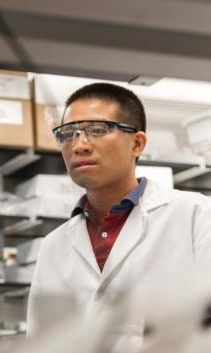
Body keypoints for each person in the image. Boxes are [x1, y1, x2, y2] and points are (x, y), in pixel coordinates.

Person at [26, 83, 211, 336]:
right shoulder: (53, 246)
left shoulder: (197, 216)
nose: (79, 145)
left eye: (97, 130)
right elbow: (40, 344)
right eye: (68, 133)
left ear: (137, 143)